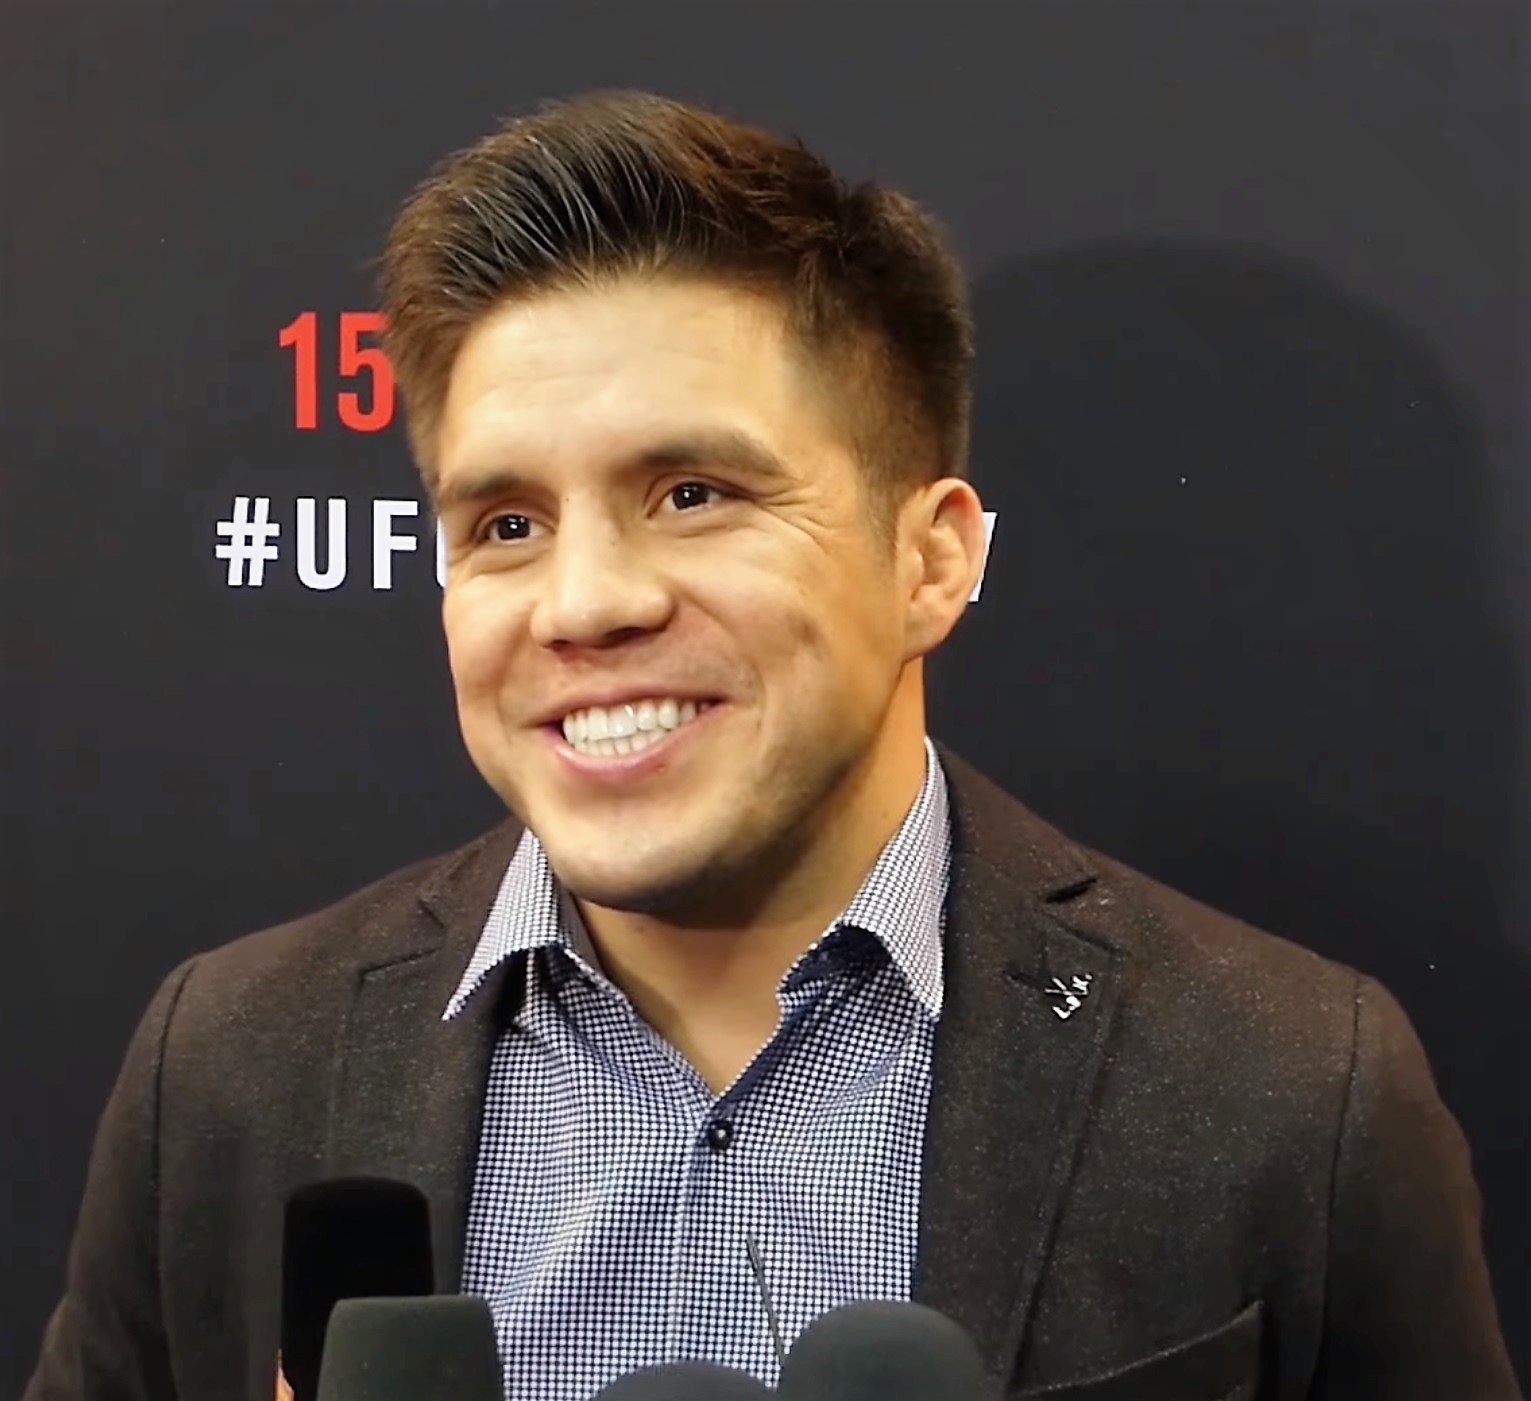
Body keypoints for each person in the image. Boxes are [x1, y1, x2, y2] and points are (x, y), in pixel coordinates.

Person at [26, 90, 1519, 1401]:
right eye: (507, 524)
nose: (585, 603)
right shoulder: (229, 1065)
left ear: (929, 559)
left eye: (694, 494)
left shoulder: (1288, 1086)